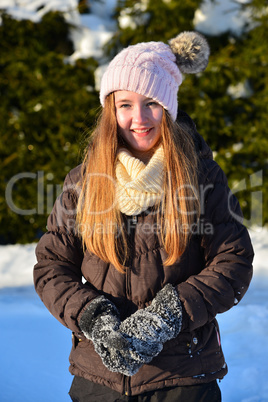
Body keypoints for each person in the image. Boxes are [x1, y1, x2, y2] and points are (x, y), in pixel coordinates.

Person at [33, 31, 254, 402]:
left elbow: (232, 262)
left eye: (151, 103)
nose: (139, 118)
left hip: (183, 379)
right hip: (98, 381)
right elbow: (52, 265)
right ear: (111, 110)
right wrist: (92, 316)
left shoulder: (201, 176)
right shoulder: (84, 181)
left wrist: (166, 316)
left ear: (168, 108)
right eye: (125, 105)